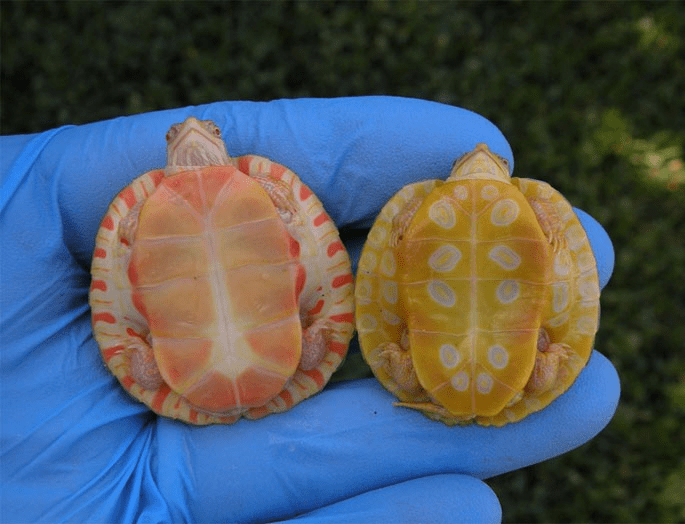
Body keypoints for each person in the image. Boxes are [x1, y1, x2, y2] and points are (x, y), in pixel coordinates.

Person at [0, 97, 619, 523]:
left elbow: (120, 276)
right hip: (431, 362)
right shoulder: (267, 189)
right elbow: (319, 247)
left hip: (218, 360)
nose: (192, 132)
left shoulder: (140, 211)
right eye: (186, 135)